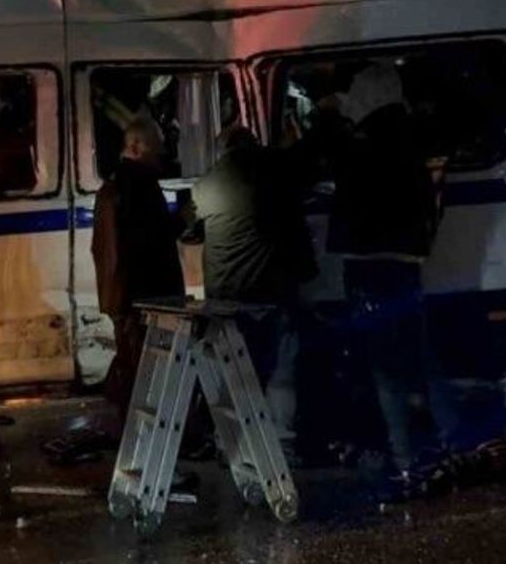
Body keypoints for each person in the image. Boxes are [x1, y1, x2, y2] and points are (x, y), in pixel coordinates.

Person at [324, 61, 453, 481]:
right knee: (421, 355)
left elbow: (333, 169)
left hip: (370, 264)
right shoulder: (415, 134)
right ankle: (452, 441)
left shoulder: (364, 140)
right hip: (407, 262)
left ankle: (402, 455)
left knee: (384, 365)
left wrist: (329, 118)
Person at [184, 126, 316, 448]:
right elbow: (295, 226)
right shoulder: (275, 177)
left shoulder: (204, 186)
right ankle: (281, 434)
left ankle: (228, 438)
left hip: (225, 295)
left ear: (222, 151)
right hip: (270, 290)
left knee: (233, 367)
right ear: (254, 145)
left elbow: (190, 233)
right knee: (281, 365)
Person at [92, 118, 187, 424]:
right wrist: (182, 220)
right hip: (144, 295)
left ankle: (129, 430)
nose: (161, 153)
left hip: (120, 294)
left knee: (131, 363)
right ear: (135, 146)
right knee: (146, 371)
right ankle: (141, 434)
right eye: (155, 146)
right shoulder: (140, 185)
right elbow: (150, 240)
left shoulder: (113, 185)